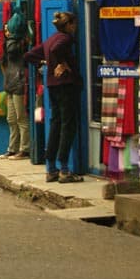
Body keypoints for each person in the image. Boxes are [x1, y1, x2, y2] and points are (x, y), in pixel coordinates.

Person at [25, 11, 83, 184]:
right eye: (74, 24)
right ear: (69, 25)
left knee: (56, 124)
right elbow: (57, 50)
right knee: (68, 125)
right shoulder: (65, 39)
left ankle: (51, 169)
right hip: (66, 86)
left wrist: (43, 65)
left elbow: (29, 55)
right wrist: (61, 64)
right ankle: (65, 170)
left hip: (52, 86)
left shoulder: (50, 39)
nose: (76, 27)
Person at [0, 14, 30, 160]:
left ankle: (25, 148)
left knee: (21, 118)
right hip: (11, 83)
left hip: (18, 83)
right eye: (6, 31)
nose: (7, 34)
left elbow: (12, 53)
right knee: (11, 118)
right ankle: (12, 147)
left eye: (9, 30)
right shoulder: (11, 44)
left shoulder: (18, 44)